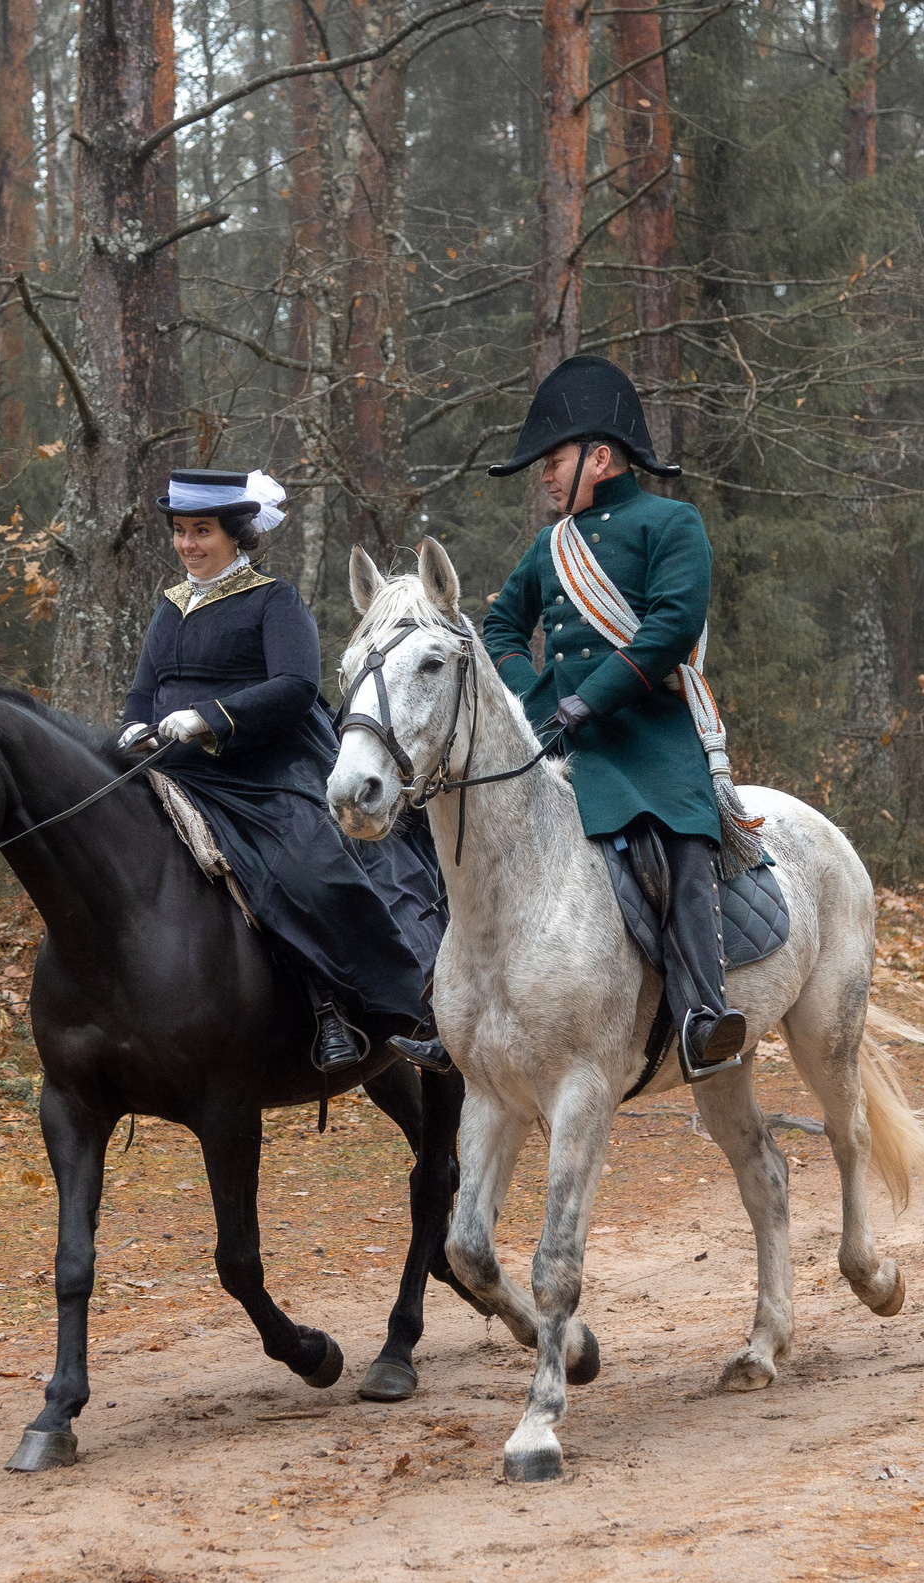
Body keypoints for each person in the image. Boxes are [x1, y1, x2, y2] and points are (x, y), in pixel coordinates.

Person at [467, 355, 761, 1077]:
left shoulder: (671, 522)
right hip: (561, 739)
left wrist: (589, 697)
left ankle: (701, 1012)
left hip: (650, 736)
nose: (543, 474)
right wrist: (534, 698)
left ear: (599, 458)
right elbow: (499, 627)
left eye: (553, 459)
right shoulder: (549, 547)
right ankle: (446, 1001)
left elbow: (670, 626)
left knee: (680, 845)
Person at [120, 467, 443, 1074]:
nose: (189, 544)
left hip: (266, 768)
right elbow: (144, 690)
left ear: (236, 534)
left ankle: (336, 1007)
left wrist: (210, 717)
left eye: (202, 531)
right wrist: (134, 725)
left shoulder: (275, 599)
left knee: (308, 872)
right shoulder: (168, 608)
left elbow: (296, 687)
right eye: (181, 531)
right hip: (172, 767)